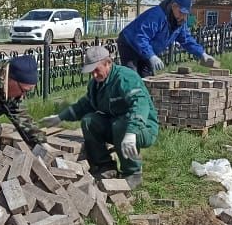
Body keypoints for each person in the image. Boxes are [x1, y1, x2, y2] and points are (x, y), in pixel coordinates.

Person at [39, 46, 159, 187]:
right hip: (118, 127)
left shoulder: (125, 78)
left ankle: (132, 172)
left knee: (121, 125)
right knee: (89, 121)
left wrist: (132, 132)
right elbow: (84, 105)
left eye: (97, 70)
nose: (94, 75)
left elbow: (140, 104)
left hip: (142, 128)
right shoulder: (96, 84)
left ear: (108, 63)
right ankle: (106, 166)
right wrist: (60, 117)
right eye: (91, 72)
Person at [116, 0, 219, 77]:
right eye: (181, 12)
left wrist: (202, 54)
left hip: (146, 49)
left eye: (186, 14)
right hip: (129, 44)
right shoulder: (157, 16)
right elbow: (140, 37)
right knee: (132, 77)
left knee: (147, 78)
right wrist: (151, 56)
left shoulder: (179, 22)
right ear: (174, 6)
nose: (183, 16)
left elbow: (186, 39)